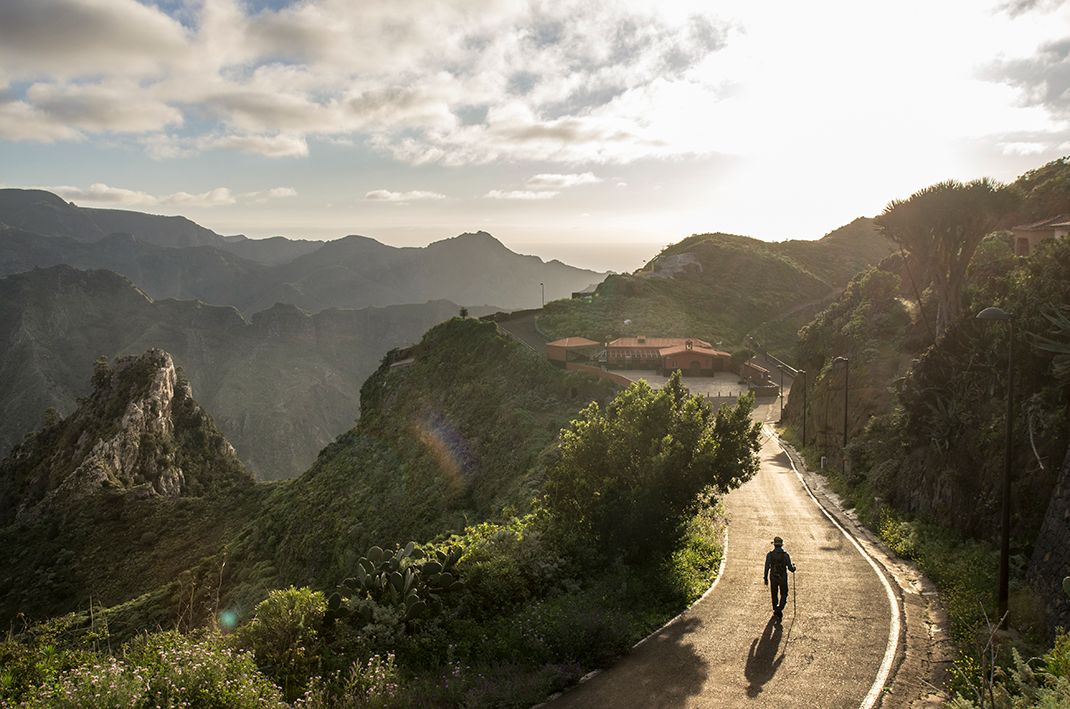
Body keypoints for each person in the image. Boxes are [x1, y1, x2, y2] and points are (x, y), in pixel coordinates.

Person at [763, 536, 796, 620]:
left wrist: (765, 578)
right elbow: (790, 568)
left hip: (773, 577)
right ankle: (780, 608)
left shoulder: (770, 555)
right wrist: (794, 567)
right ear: (781, 545)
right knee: (784, 593)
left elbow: (766, 567)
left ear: (774, 545)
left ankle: (775, 609)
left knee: (774, 594)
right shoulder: (785, 555)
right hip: (783, 577)